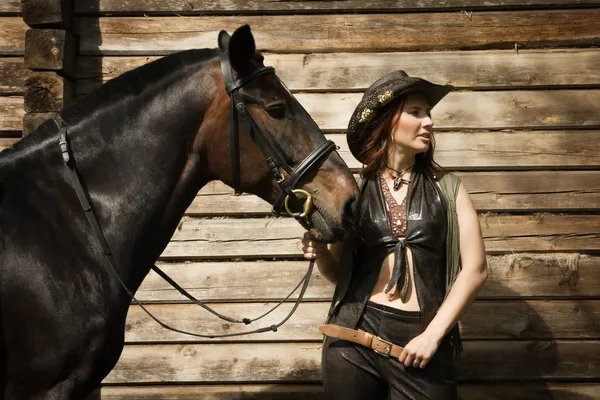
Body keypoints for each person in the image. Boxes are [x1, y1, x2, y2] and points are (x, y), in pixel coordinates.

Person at [302, 70, 488, 399]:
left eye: (428, 113)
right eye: (416, 112)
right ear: (386, 121)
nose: (428, 121)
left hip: (423, 339)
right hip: (352, 338)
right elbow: (339, 274)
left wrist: (433, 336)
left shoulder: (449, 189)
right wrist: (321, 255)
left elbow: (475, 271)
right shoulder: (352, 193)